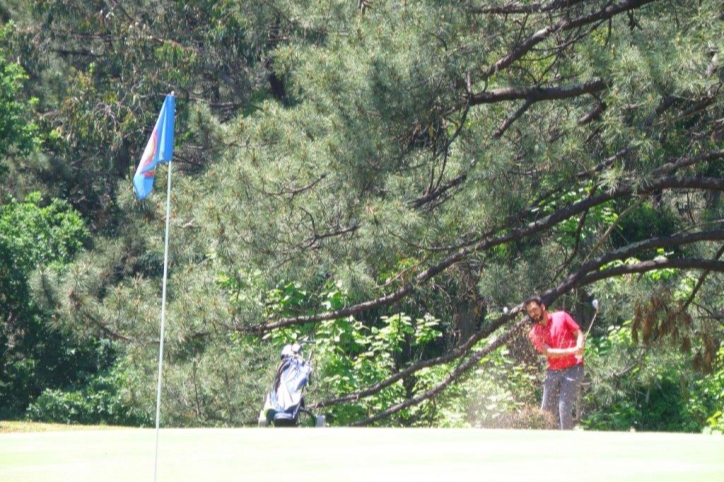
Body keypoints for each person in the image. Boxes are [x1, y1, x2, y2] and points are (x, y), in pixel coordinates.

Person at [524, 295, 585, 430]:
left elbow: (579, 334)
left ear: (543, 307)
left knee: (563, 406)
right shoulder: (534, 333)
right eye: (530, 312)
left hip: (574, 368)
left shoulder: (562, 316)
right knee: (546, 409)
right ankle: (547, 442)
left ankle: (567, 443)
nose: (533, 314)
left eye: (535, 309)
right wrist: (574, 350)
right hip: (554, 370)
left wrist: (580, 345)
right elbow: (550, 353)